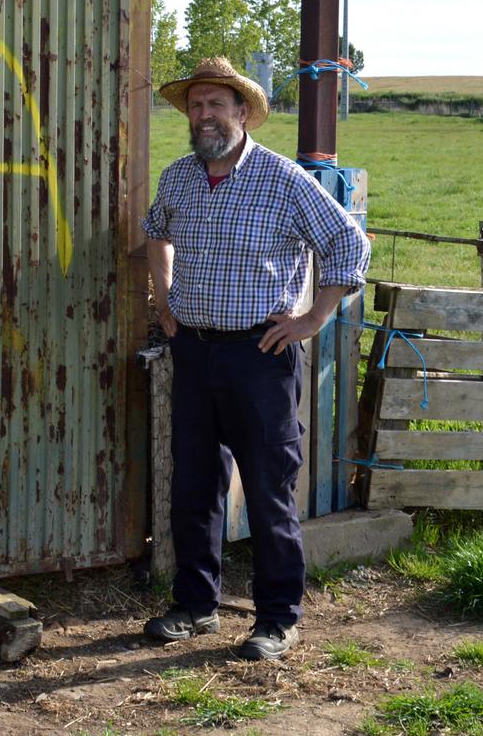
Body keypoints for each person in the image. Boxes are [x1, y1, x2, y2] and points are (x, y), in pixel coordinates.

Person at [140, 55, 370, 661]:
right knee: (192, 484)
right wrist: (164, 303)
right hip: (192, 351)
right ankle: (195, 606)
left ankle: (277, 618)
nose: (205, 114)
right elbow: (156, 234)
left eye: (218, 104)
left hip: (259, 354)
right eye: (196, 105)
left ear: (244, 113)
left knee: (269, 490)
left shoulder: (283, 180)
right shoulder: (179, 178)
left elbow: (348, 242)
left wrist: (313, 319)